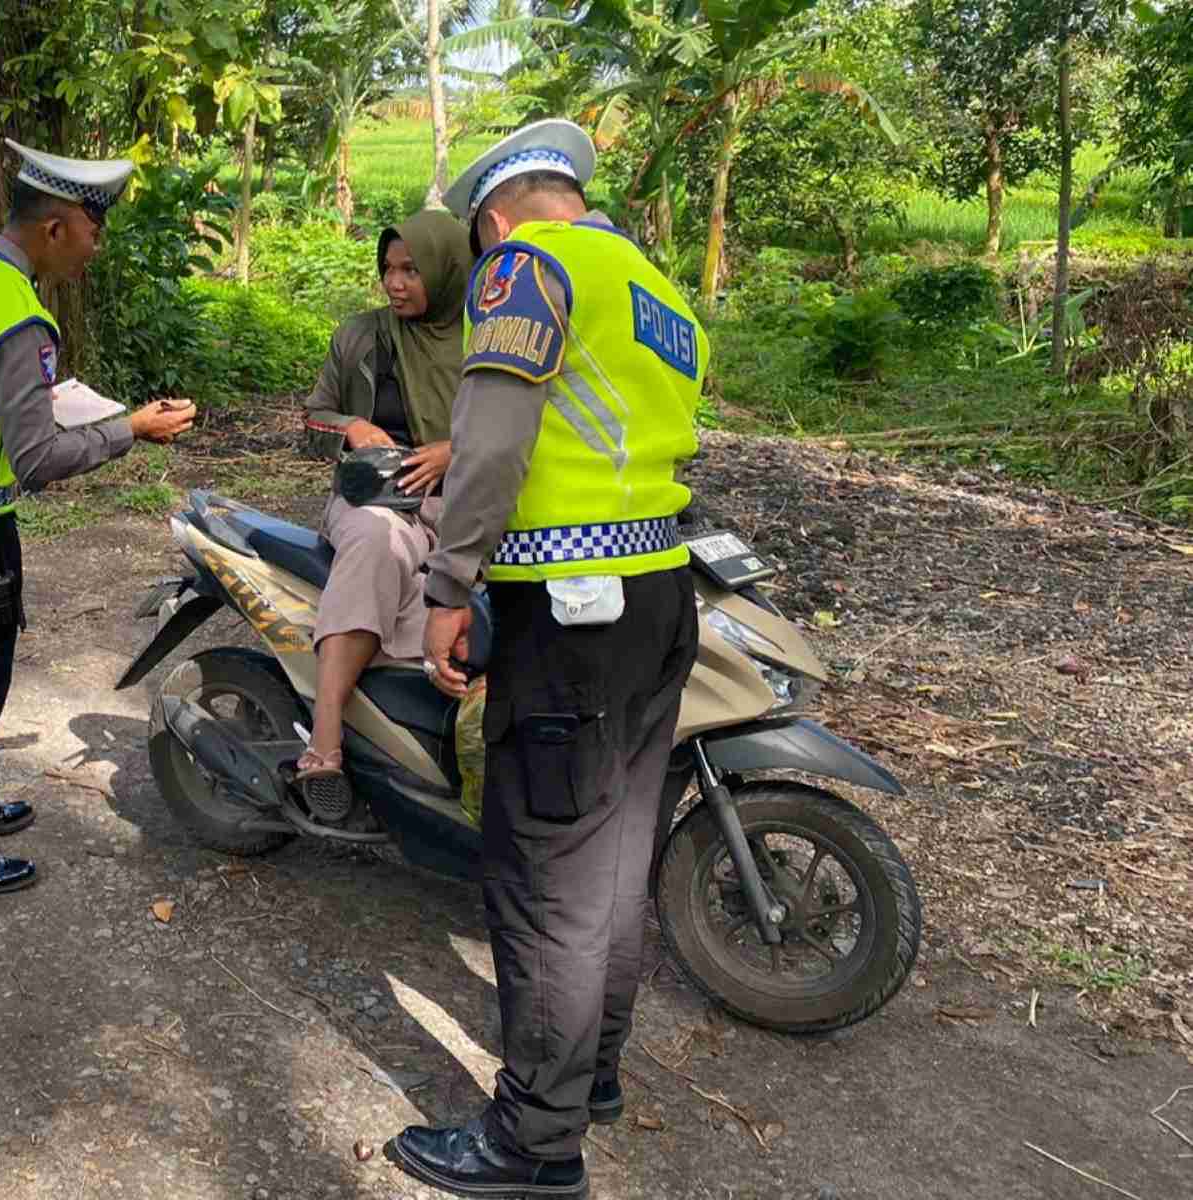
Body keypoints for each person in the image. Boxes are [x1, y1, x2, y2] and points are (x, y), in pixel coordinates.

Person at [385, 118, 707, 1199]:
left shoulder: (528, 264)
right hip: (660, 594)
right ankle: (589, 1078)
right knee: (612, 864)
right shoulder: (654, 287)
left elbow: (492, 442)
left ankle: (533, 1141)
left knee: (545, 876)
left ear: (494, 217)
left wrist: (448, 584)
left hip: (570, 616)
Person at [0, 140, 197, 896]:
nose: (98, 244)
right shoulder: (18, 317)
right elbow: (37, 458)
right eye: (94, 228)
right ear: (55, 227)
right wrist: (133, 430)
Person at [295, 210, 473, 784]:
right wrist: (350, 426)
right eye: (388, 269)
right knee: (378, 541)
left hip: (463, 505)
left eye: (412, 271)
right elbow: (311, 422)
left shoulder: (487, 342)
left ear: (447, 272)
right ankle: (326, 734)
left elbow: (523, 433)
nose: (395, 283)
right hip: (376, 501)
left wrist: (457, 451)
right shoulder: (362, 336)